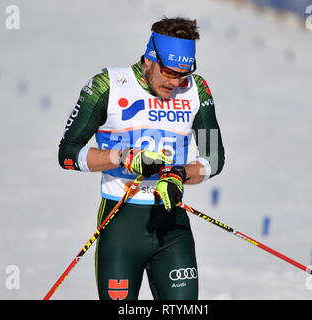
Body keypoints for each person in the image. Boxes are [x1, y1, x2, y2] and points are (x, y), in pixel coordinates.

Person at [58, 17, 225, 300]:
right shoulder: (107, 85)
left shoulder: (196, 90)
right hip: (121, 226)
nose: (175, 82)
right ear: (150, 57)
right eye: (169, 72)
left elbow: (214, 156)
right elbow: (68, 153)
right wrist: (121, 157)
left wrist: (180, 174)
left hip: (173, 229)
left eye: (183, 75)